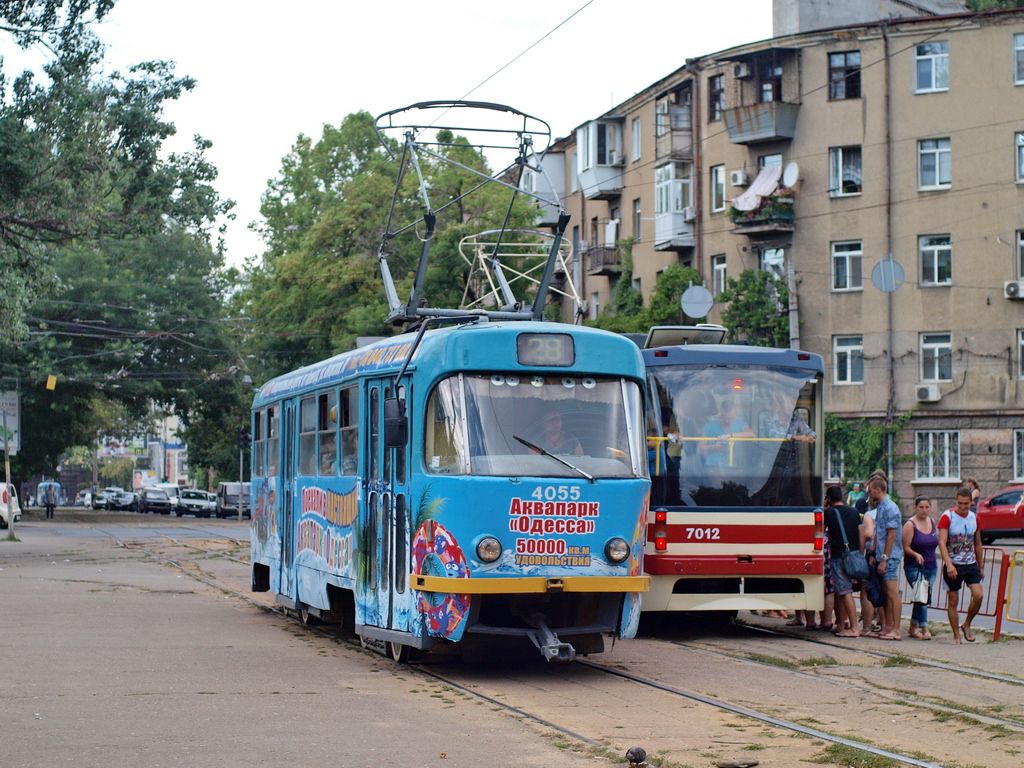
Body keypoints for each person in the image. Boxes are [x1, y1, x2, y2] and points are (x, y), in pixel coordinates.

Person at [938, 487, 985, 644]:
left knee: (978, 595)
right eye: (960, 504)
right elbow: (942, 543)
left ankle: (967, 624)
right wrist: (949, 565)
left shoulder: (974, 518)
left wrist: (981, 566)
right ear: (956, 501)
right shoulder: (948, 516)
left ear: (971, 502)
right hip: (954, 564)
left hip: (970, 563)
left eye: (966, 504)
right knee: (953, 601)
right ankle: (956, 635)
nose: (963, 507)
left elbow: (977, 543)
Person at [823, 484, 863, 637]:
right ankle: (840, 624)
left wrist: (825, 506)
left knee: (845, 592)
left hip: (839, 556)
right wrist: (860, 553)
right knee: (841, 592)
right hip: (853, 555)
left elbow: (818, 524)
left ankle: (853, 628)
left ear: (829, 498)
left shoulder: (829, 513)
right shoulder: (854, 512)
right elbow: (861, 534)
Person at [867, 476, 903, 640]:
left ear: (877, 489)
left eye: (870, 491)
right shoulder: (881, 507)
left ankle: (896, 629)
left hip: (889, 557)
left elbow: (891, 536)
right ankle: (888, 626)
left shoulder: (889, 508)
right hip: (883, 555)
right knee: (887, 593)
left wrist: (884, 558)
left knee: (892, 593)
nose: (869, 494)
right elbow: (878, 533)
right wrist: (874, 552)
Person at [902, 496, 939, 640]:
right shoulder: (910, 525)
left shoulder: (932, 522)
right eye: (921, 507)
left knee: (921, 596)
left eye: (927, 507)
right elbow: (905, 547)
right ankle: (925, 628)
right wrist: (915, 554)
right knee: (922, 596)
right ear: (915, 507)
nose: (924, 510)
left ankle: (912, 627)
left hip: (931, 565)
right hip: (914, 567)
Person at [700, 396, 754, 466]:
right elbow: (700, 448)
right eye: (724, 417)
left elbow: (751, 434)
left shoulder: (740, 425)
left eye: (729, 418)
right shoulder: (709, 426)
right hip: (711, 468)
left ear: (735, 412)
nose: (726, 421)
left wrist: (730, 436)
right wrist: (715, 447)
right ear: (720, 411)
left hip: (732, 469)